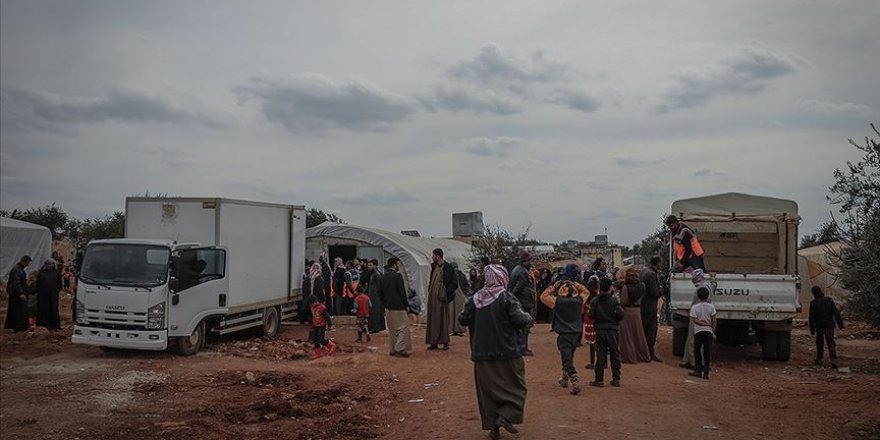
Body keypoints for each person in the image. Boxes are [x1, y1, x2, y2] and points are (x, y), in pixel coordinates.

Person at [459, 264, 533, 439]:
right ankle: (506, 416)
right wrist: (529, 318)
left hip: (481, 354)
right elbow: (520, 320)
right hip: (507, 352)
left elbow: (462, 319)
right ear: (503, 278)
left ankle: (494, 428)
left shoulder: (474, 299)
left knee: (488, 393)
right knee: (517, 386)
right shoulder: (507, 298)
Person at [540, 263, 590, 395]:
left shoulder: (557, 302)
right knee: (569, 356)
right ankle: (564, 378)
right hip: (576, 333)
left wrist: (555, 285)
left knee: (566, 358)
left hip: (563, 334)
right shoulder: (579, 300)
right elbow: (586, 292)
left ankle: (574, 379)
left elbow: (543, 296)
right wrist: (575, 283)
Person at [588, 278, 625, 387]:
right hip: (613, 330)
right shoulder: (614, 300)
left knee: (600, 355)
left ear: (599, 287)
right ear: (610, 287)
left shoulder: (595, 301)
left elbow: (591, 315)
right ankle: (616, 379)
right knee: (615, 354)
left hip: (600, 330)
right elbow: (621, 314)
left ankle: (599, 380)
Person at [681, 269, 716, 369]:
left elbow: (693, 305)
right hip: (706, 317)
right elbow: (713, 287)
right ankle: (697, 362)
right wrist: (713, 278)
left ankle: (692, 362)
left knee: (693, 340)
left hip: (696, 316)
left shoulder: (698, 289)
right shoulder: (708, 285)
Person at [379, 257, 412, 357]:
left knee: (392, 329)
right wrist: (406, 305)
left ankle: (392, 349)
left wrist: (385, 303)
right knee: (403, 328)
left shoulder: (383, 277)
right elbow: (402, 292)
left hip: (388, 308)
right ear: (394, 264)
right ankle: (400, 348)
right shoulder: (398, 276)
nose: (398, 266)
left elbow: (379, 293)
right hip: (398, 307)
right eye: (398, 264)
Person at [618, 268, 651, 363]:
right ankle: (643, 356)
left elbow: (623, 302)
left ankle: (629, 357)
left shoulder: (625, 287)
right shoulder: (642, 286)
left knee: (627, 336)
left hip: (627, 312)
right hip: (637, 312)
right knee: (638, 335)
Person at [426, 248, 457, 350]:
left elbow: (453, 283)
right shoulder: (434, 266)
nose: (432, 257)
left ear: (438, 256)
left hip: (442, 298)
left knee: (443, 319)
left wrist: (446, 293)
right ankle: (433, 342)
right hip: (432, 298)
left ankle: (445, 342)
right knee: (433, 319)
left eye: (433, 255)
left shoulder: (448, 268)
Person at [809, 286, 845, 369]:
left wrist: (812, 329)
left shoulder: (813, 303)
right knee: (831, 343)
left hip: (819, 327)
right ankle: (833, 360)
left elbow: (811, 317)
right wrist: (841, 325)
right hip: (829, 326)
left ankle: (819, 359)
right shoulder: (829, 300)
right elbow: (836, 313)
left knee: (819, 343)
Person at [508, 251, 536, 356]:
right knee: (524, 326)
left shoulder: (516, 269)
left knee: (522, 327)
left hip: (520, 301)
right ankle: (522, 348)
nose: (531, 263)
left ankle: (521, 347)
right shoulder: (523, 272)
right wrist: (512, 297)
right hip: (523, 302)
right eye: (529, 261)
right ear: (525, 261)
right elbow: (518, 288)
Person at [688, 287, 716, 379]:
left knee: (697, 351)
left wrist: (703, 323)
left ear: (698, 296)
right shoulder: (711, 306)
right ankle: (706, 372)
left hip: (698, 332)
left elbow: (695, 320)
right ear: (708, 296)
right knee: (707, 352)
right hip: (709, 332)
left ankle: (698, 370)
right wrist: (712, 329)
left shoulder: (694, 307)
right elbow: (714, 320)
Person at [640, 256, 664, 362]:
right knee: (651, 331)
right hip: (650, 307)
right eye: (661, 263)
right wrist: (663, 290)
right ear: (658, 263)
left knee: (643, 330)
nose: (661, 265)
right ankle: (650, 354)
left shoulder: (644, 271)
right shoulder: (652, 274)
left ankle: (643, 352)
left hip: (642, 306)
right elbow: (655, 292)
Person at [4, 256, 32, 332]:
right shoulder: (16, 270)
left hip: (17, 293)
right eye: (27, 263)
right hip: (15, 294)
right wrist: (21, 293)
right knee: (17, 311)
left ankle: (19, 327)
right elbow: (16, 282)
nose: (27, 265)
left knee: (19, 311)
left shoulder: (20, 269)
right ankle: (18, 327)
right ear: (24, 261)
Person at [35, 259, 63, 331]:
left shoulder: (56, 273)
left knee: (53, 309)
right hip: (43, 296)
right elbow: (38, 284)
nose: (49, 266)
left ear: (53, 265)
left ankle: (54, 326)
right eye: (47, 264)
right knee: (43, 310)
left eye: (50, 264)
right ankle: (43, 325)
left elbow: (60, 284)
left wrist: (55, 290)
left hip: (53, 295)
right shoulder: (41, 273)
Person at [309, 295, 336, 360]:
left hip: (321, 326)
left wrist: (329, 325)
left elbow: (327, 317)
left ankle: (331, 345)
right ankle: (318, 354)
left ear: (315, 302)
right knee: (316, 340)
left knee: (321, 339)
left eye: (312, 303)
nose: (311, 305)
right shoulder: (312, 308)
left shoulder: (322, 307)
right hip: (315, 326)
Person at [582, 275, 600, 369]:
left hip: (589, 320)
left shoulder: (586, 298)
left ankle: (592, 362)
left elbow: (582, 310)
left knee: (592, 343)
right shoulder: (599, 296)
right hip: (599, 320)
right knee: (600, 342)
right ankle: (603, 362)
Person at [364, 259, 386, 333]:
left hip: (375, 297)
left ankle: (375, 328)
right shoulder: (372, 274)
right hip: (372, 295)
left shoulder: (376, 275)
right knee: (373, 312)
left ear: (375, 266)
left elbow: (379, 286)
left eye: (370, 265)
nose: (368, 267)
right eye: (368, 265)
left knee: (375, 312)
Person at [449, 263, 469, 337]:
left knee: (459, 312)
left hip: (460, 296)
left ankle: (460, 330)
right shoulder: (450, 276)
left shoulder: (461, 275)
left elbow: (466, 285)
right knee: (452, 313)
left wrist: (464, 293)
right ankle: (453, 329)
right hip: (452, 295)